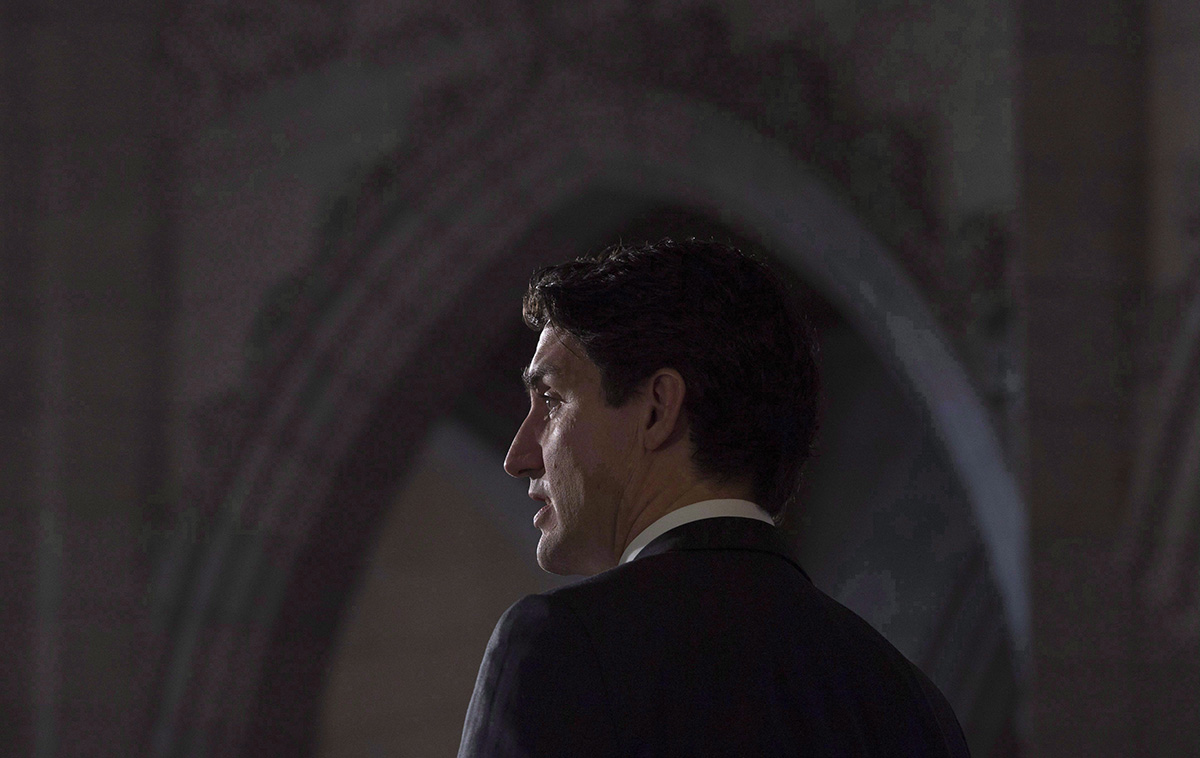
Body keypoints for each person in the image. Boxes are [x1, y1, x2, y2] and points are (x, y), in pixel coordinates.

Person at [457, 238, 971, 757]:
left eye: (550, 399)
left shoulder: (564, 648)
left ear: (657, 409)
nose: (518, 454)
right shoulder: (914, 702)